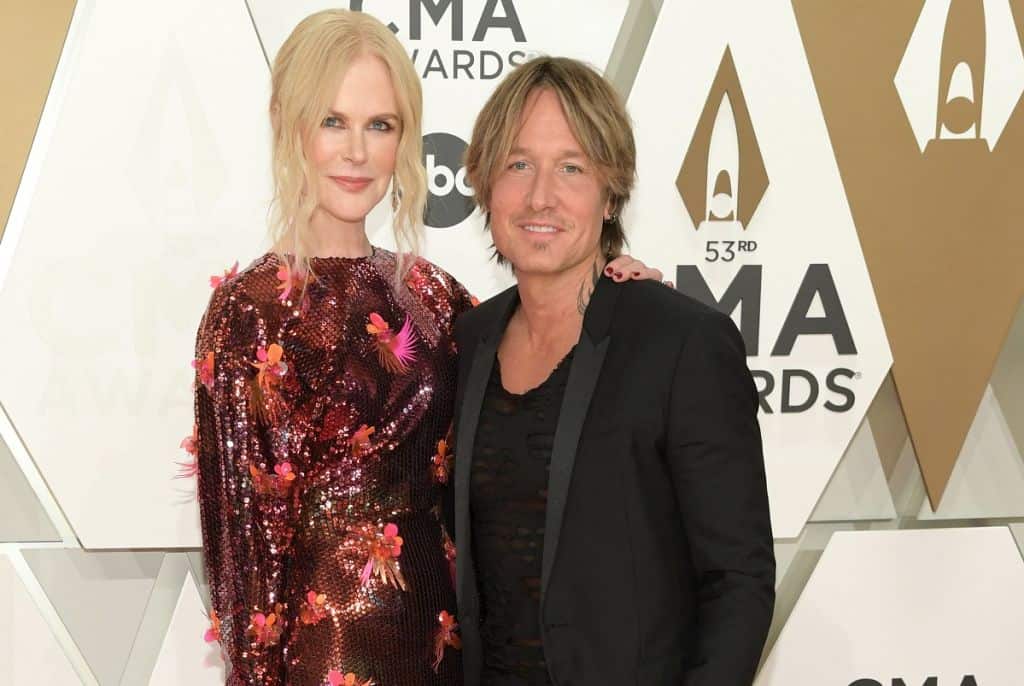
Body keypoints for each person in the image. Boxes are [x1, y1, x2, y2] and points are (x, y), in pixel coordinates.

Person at [190, 11, 657, 685]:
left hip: (454, 656)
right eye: (333, 121)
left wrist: (614, 283)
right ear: (287, 125)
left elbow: (541, 384)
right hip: (325, 667)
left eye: (380, 125)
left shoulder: (436, 298)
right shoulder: (249, 313)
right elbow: (243, 561)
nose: (357, 151)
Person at [451, 56, 776, 686]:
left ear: (610, 191)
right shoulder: (466, 342)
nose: (540, 195)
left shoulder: (681, 344)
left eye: (571, 167)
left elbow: (737, 582)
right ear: (486, 185)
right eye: (518, 165)